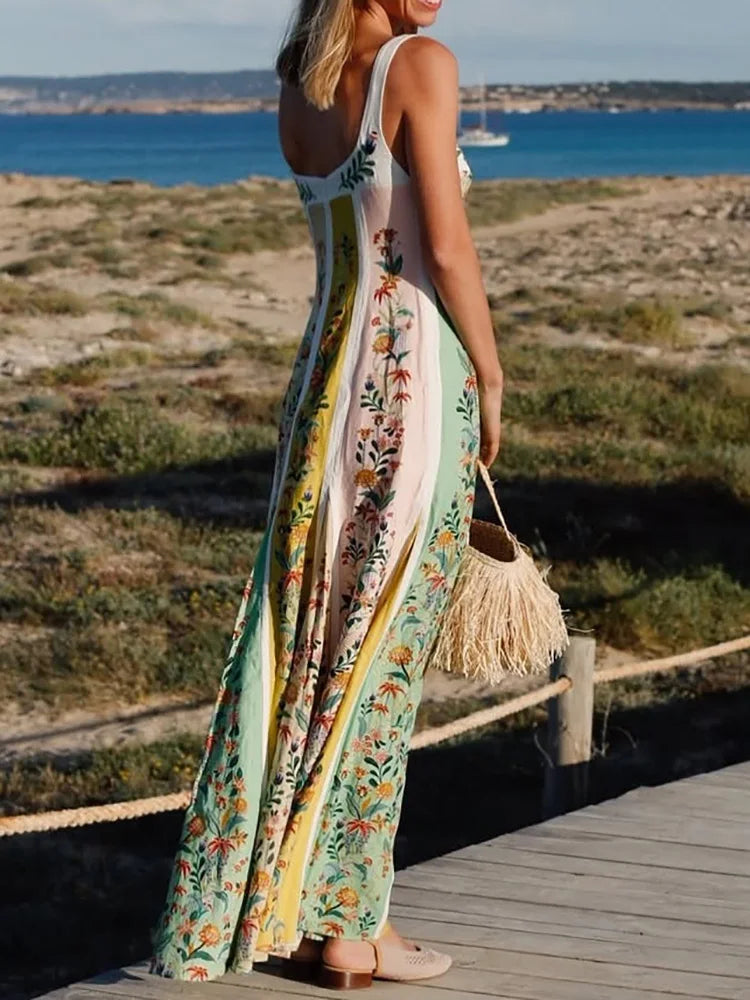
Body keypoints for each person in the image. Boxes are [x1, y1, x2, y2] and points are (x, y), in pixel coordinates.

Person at [149, 0, 503, 990]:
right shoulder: (419, 64)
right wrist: (493, 371)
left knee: (305, 654)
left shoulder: (297, 84)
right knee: (381, 660)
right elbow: (448, 249)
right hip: (412, 391)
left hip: (320, 399)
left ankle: (291, 909)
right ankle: (351, 926)